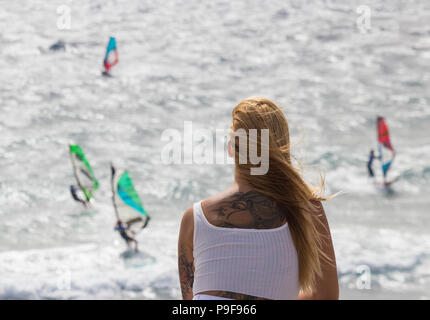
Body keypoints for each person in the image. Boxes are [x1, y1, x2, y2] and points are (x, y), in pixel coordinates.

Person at [178, 97, 338, 300]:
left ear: (231, 148)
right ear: (282, 146)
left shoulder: (194, 220)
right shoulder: (307, 211)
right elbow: (326, 296)